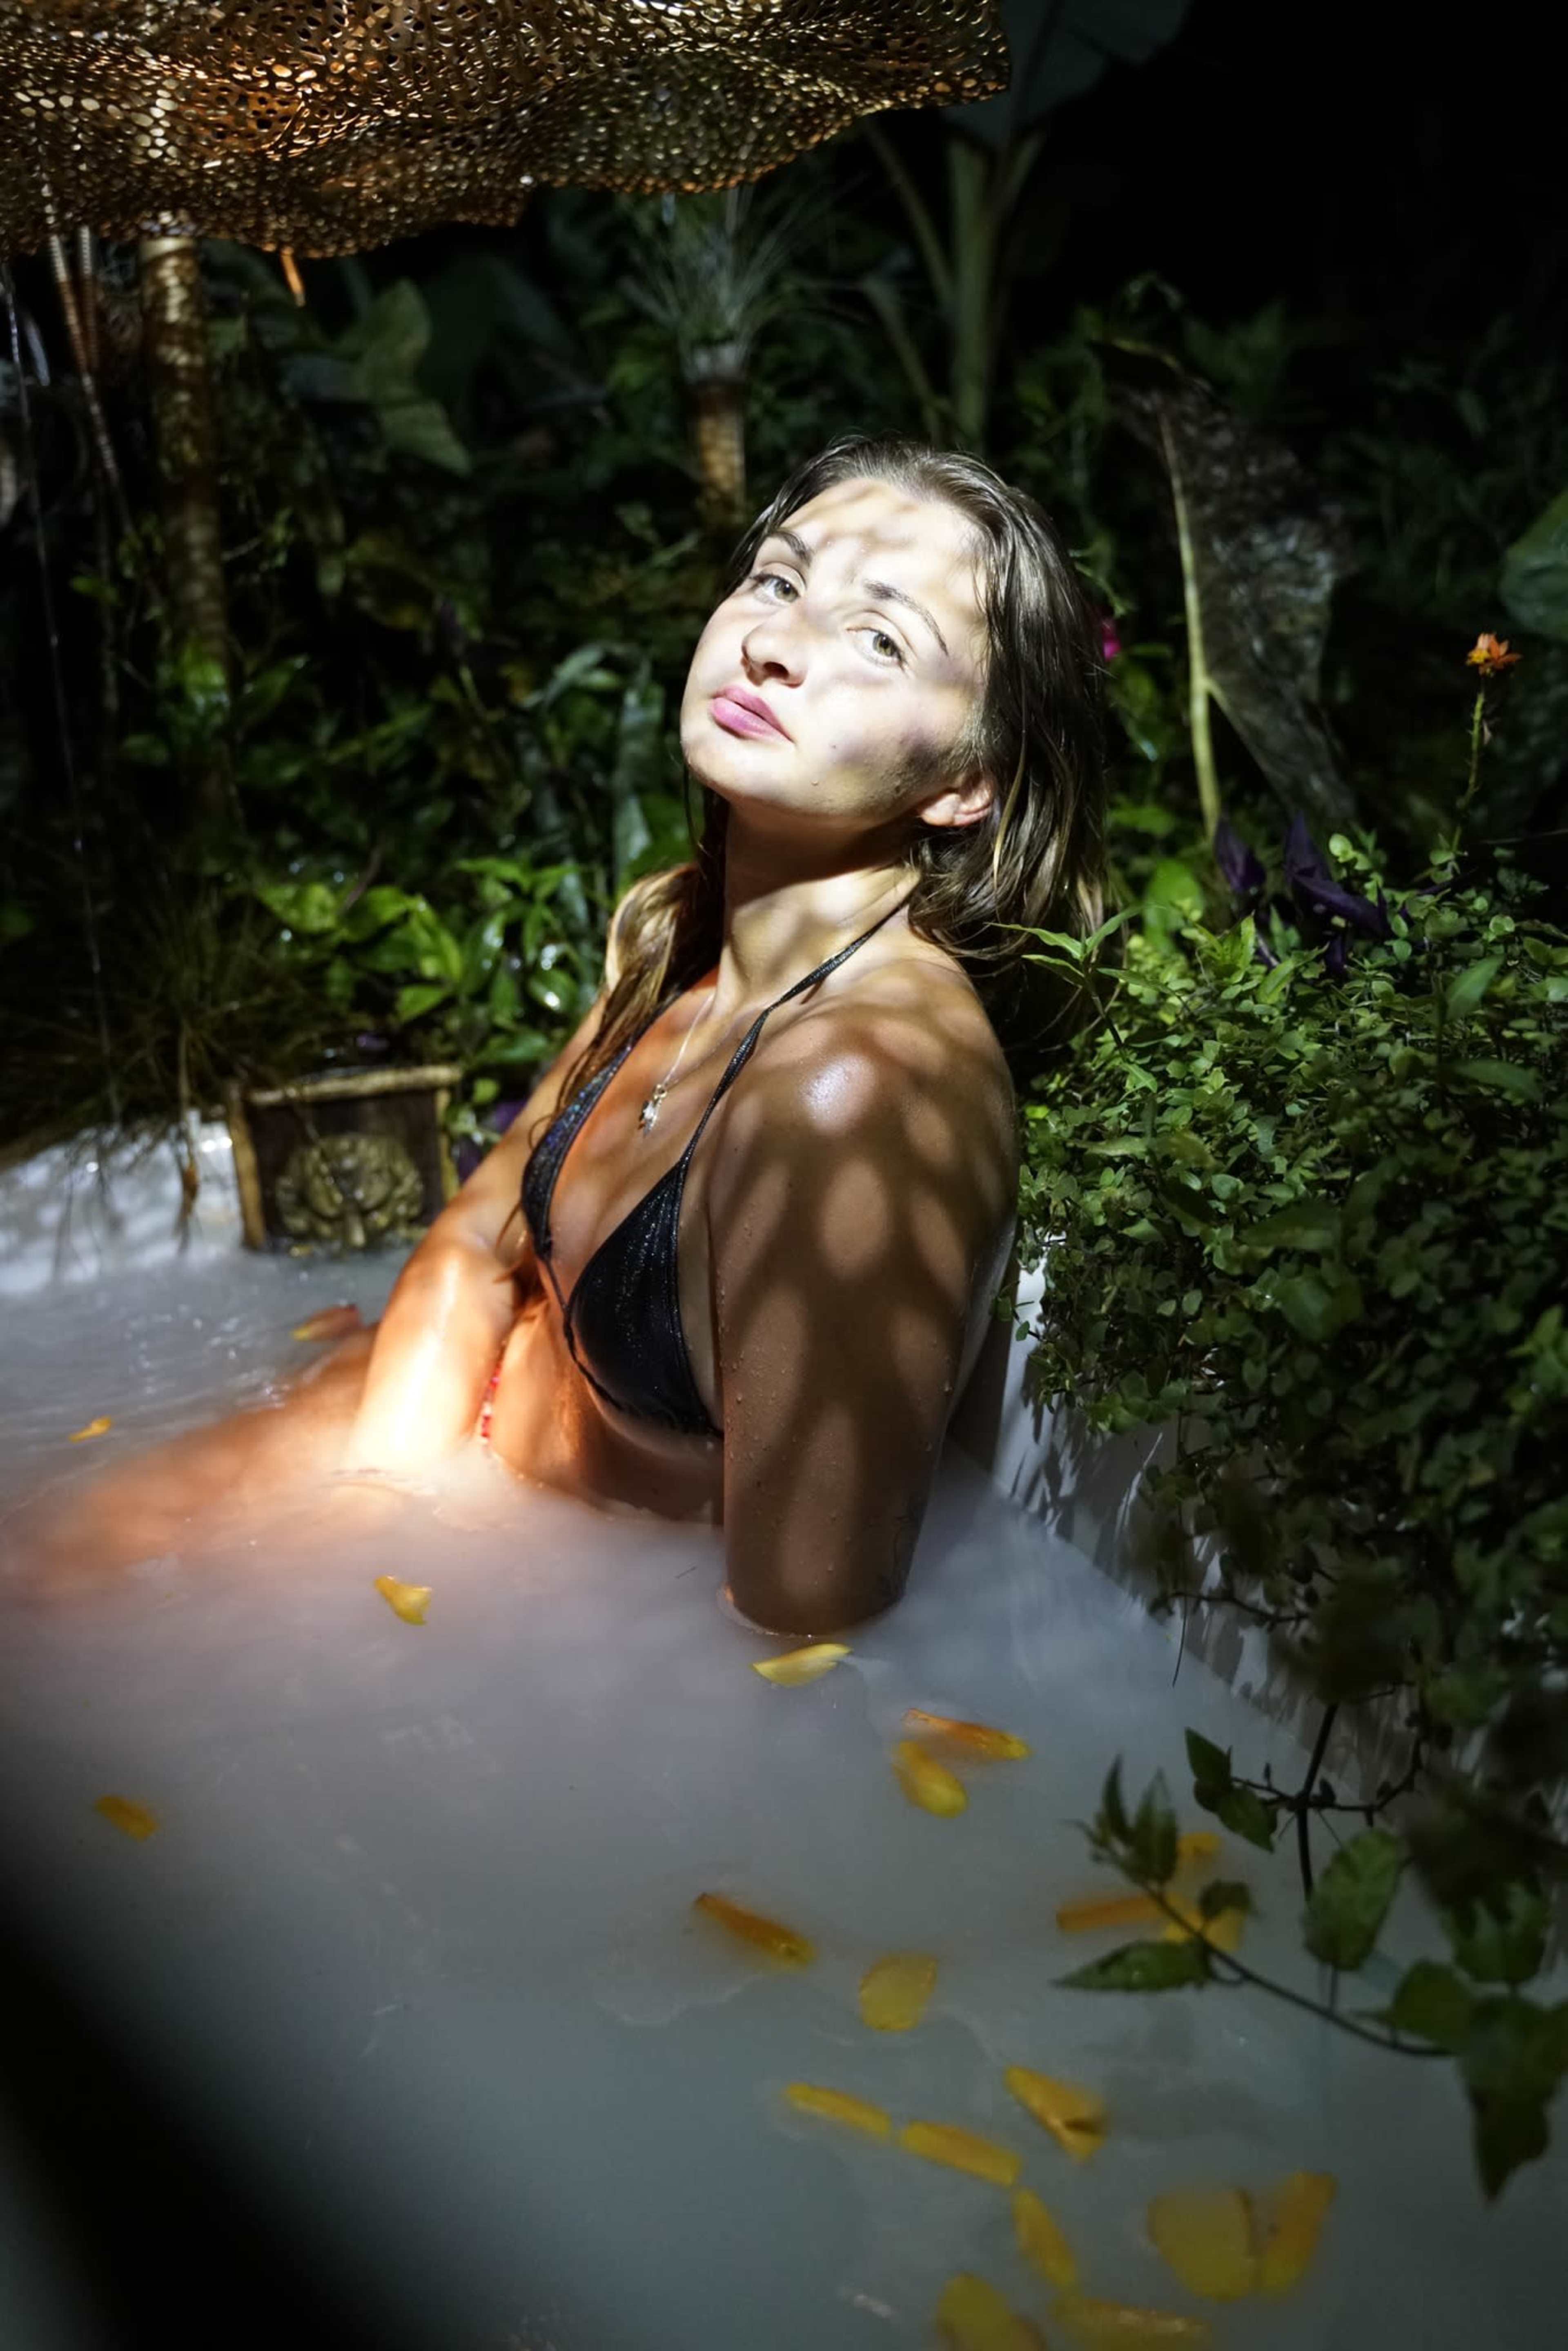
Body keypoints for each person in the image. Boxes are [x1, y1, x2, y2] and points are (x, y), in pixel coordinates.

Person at [29, 437, 1107, 1632]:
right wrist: (363, 1526)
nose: (775, 645)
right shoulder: (692, 943)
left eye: (881, 640)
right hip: (425, 1487)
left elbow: (803, 1636)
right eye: (779, 580)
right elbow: (470, 1249)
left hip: (537, 1601)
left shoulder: (857, 1088)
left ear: (967, 785)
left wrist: (364, 1596)